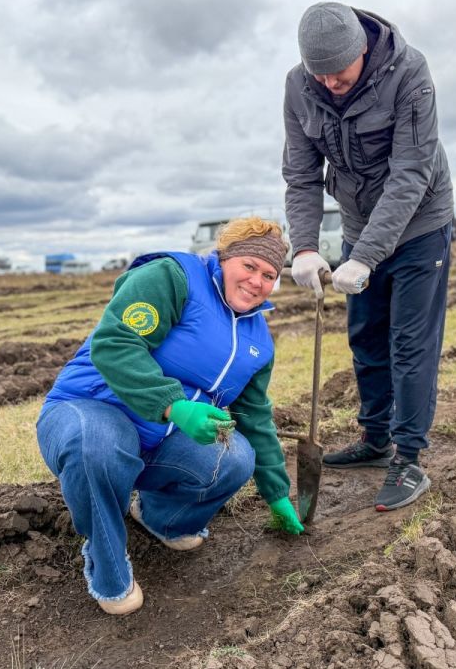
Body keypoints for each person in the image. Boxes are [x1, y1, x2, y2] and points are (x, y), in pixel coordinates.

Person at [37, 218, 304, 616]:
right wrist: (173, 405)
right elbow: (115, 344)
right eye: (249, 266)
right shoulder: (172, 275)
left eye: (269, 275)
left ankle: (162, 518)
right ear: (225, 257)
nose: (256, 281)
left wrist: (277, 492)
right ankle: (106, 562)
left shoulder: (258, 340)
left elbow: (254, 417)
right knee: (95, 445)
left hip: (159, 440)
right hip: (91, 408)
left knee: (234, 457)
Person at [283, 1, 454, 512]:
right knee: (364, 337)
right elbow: (301, 173)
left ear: (362, 49)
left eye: (340, 72)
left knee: (409, 342)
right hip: (359, 226)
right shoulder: (298, 86)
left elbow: (411, 171)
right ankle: (375, 440)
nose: (331, 83)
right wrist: (307, 247)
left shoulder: (409, 72)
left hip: (421, 223)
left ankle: (408, 457)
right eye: (321, 74)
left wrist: (367, 256)